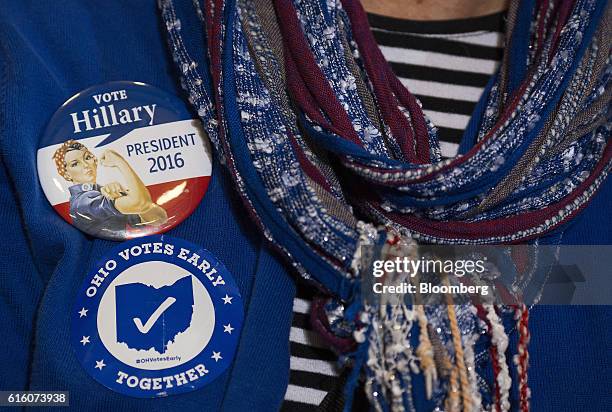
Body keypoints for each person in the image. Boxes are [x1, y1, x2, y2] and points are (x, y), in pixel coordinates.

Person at [52, 140, 167, 238]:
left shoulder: (101, 192)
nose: (86, 165)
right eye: (75, 164)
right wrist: (120, 162)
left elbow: (159, 218)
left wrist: (123, 197)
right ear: (66, 174)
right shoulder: (82, 202)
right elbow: (141, 203)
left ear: (94, 160)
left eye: (87, 157)